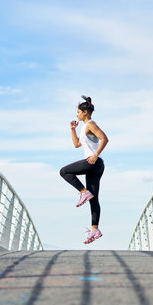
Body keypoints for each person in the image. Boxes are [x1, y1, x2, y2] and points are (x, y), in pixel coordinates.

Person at [60, 95, 109, 244]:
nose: (77, 115)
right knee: (93, 199)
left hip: (93, 162)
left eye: (78, 112)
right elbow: (76, 144)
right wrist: (73, 129)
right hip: (95, 165)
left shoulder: (90, 124)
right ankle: (95, 229)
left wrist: (95, 155)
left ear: (85, 112)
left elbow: (105, 138)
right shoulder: (84, 128)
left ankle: (83, 192)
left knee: (64, 171)